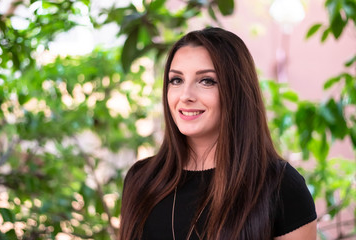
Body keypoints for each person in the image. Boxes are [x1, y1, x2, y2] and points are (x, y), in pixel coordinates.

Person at [119, 27, 317, 240]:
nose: (185, 95)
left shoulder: (281, 186)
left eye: (206, 81)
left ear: (236, 90)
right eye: (176, 80)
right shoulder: (141, 180)